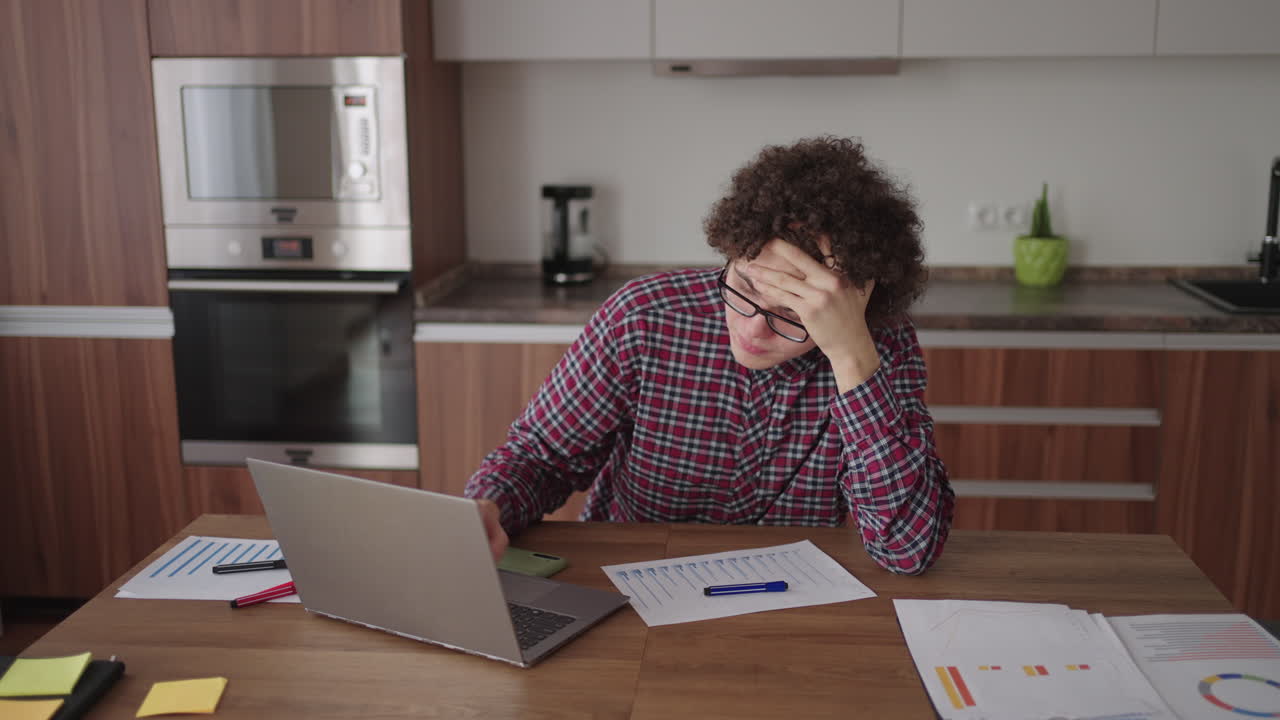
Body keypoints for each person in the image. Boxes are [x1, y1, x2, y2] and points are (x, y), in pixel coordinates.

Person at [465, 135, 955, 575]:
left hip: (789, 605)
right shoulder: (645, 316)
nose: (753, 327)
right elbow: (542, 459)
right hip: (629, 589)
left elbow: (906, 548)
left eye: (794, 314)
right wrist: (489, 507)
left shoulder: (875, 349)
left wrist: (852, 359)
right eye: (743, 287)